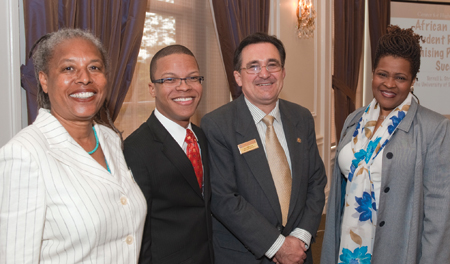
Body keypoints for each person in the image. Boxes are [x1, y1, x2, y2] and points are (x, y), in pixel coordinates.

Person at [0, 28, 147, 263]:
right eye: (69, 68)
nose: (85, 78)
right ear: (44, 80)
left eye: (94, 67)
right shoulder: (24, 154)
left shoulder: (109, 139)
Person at [321, 25, 450, 264]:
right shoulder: (354, 120)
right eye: (382, 74)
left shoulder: (434, 129)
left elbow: (439, 218)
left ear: (412, 81)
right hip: (348, 250)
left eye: (400, 78)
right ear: (373, 73)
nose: (389, 84)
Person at [201, 32, 327, 264]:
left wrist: (300, 236)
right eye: (253, 67)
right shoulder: (217, 125)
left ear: (283, 72)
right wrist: (278, 246)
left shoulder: (302, 117)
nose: (265, 74)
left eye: (272, 65)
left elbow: (316, 182)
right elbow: (223, 197)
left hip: (299, 252)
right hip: (245, 255)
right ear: (238, 77)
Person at [123, 44, 214, 264]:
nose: (184, 87)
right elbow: (137, 231)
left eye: (192, 78)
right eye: (170, 80)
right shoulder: (136, 148)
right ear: (152, 88)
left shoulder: (203, 137)